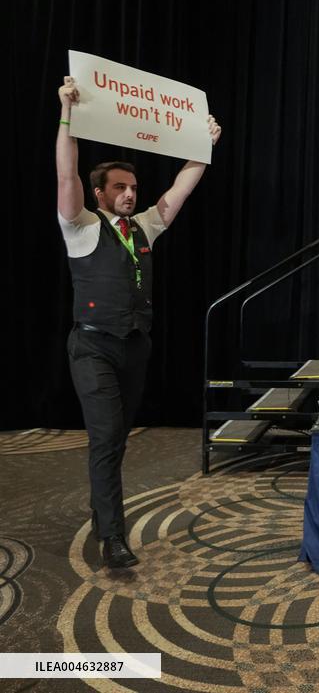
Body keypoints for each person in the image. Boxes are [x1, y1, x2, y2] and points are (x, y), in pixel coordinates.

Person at [56, 76, 221, 569]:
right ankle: (113, 537)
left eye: (133, 188)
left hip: (134, 346)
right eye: (120, 189)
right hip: (92, 347)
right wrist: (67, 115)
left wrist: (202, 146)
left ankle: (101, 506)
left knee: (117, 438)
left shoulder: (144, 226)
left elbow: (182, 187)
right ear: (100, 193)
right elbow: (66, 176)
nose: (130, 195)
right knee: (106, 438)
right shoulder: (80, 226)